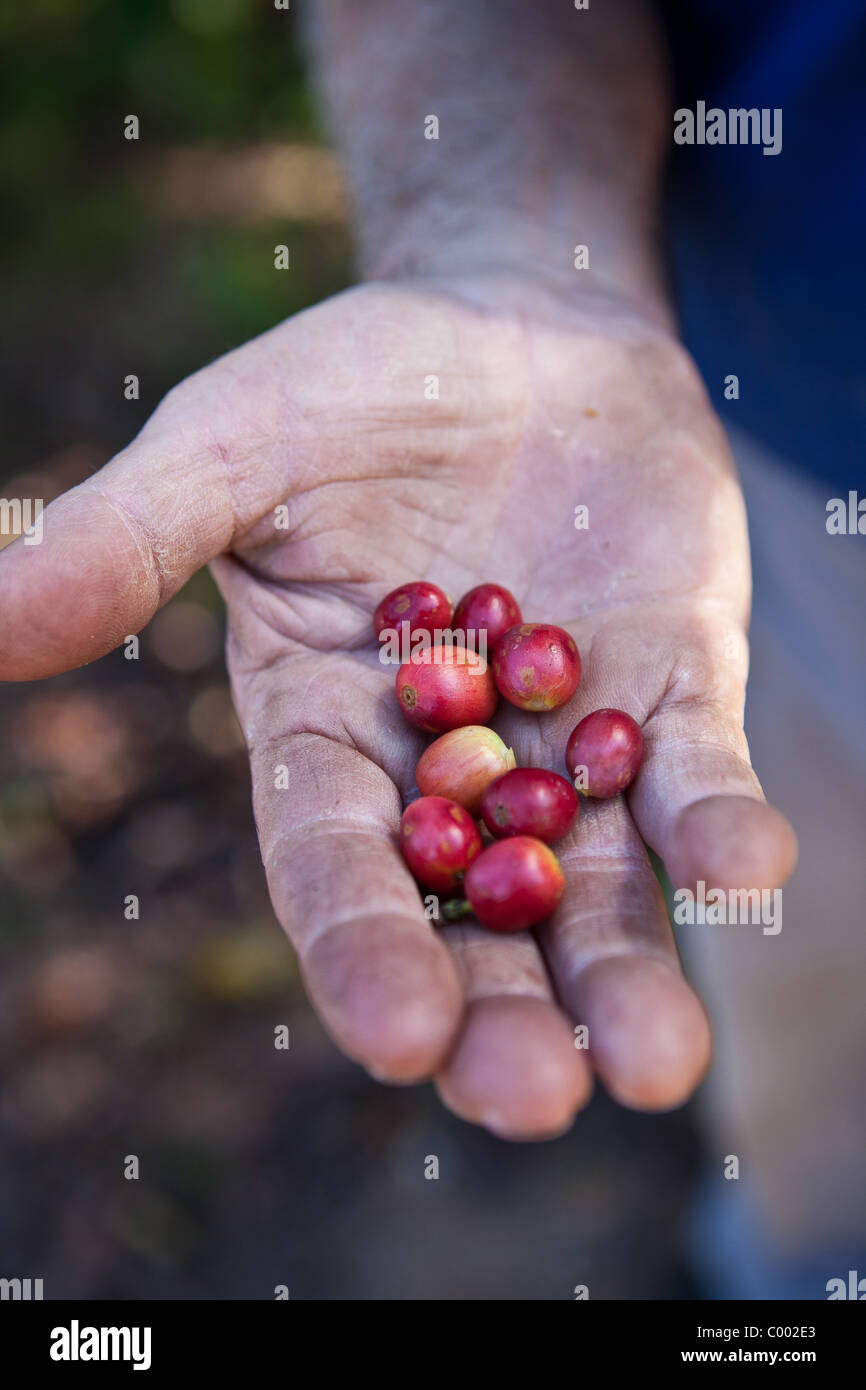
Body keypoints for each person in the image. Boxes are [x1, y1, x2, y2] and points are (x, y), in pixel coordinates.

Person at [1, 0, 862, 1297]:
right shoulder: (516, 682)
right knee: (810, 1000)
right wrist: (505, 254)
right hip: (788, 459)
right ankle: (806, 1273)